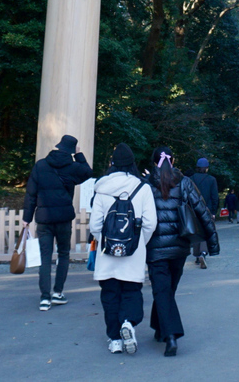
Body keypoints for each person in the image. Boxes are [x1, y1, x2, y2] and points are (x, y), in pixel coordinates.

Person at [146, 146, 219, 356]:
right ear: (173, 160)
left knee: (162, 290)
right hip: (179, 246)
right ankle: (161, 329)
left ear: (154, 162)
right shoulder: (185, 182)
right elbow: (202, 211)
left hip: (155, 248)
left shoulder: (146, 184)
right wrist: (212, 243)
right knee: (167, 290)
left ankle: (170, 335)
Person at [89, 143, 157, 354]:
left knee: (110, 294)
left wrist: (107, 242)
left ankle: (115, 340)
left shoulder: (101, 189)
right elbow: (150, 223)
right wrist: (138, 243)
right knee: (131, 291)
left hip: (107, 253)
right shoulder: (142, 188)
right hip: (133, 253)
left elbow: (95, 225)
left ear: (112, 163)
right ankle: (128, 322)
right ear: (132, 164)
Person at [23, 134, 93, 311]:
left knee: (45, 257)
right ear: (71, 150)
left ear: (59, 146)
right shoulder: (73, 167)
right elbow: (88, 172)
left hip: (44, 219)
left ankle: (44, 298)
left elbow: (31, 194)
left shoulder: (40, 165)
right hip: (63, 218)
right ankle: (58, 292)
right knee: (63, 254)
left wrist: (27, 218)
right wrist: (79, 155)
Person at [191, 157, 219, 268]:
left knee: (196, 231)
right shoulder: (211, 180)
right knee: (206, 231)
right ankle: (203, 252)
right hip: (207, 209)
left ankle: (197, 255)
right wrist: (213, 211)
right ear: (206, 168)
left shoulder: (191, 179)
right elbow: (214, 197)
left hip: (193, 209)